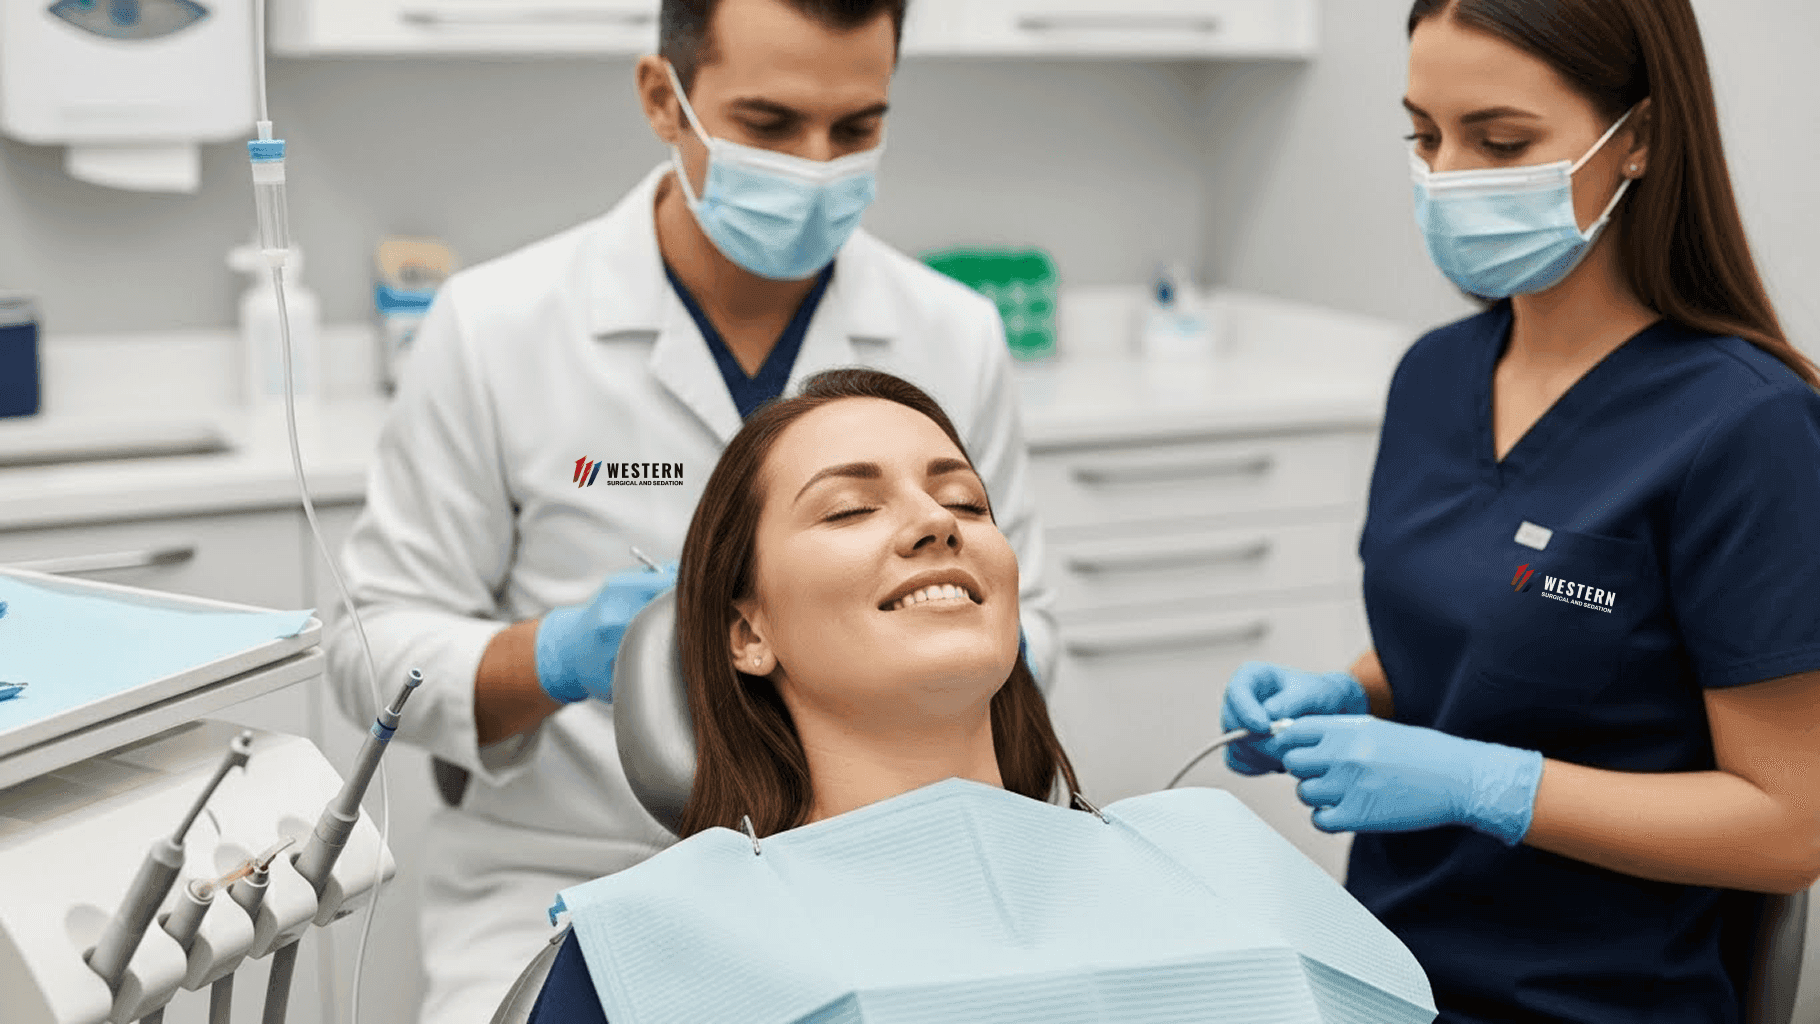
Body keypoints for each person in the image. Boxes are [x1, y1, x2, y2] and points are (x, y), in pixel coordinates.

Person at [322, 2, 1059, 1020]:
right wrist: (553, 656)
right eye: (767, 125)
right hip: (577, 864)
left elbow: (1035, 627)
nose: (813, 166)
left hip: (890, 858)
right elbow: (369, 649)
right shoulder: (499, 327)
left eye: (855, 130)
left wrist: (917, 641)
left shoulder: (951, 331)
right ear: (663, 98)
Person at [1220, 2, 1820, 1022]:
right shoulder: (1429, 377)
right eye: (1422, 135)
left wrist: (1485, 783)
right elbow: (1484, 645)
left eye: (1497, 141)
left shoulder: (1746, 427)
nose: (1446, 175)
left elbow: (1787, 825)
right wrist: (1345, 693)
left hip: (1590, 997)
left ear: (1633, 137)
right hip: (1377, 965)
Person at [524, 368, 1435, 1023]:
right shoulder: (657, 947)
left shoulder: (1218, 861)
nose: (933, 523)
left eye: (965, 502)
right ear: (747, 633)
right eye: (848, 510)